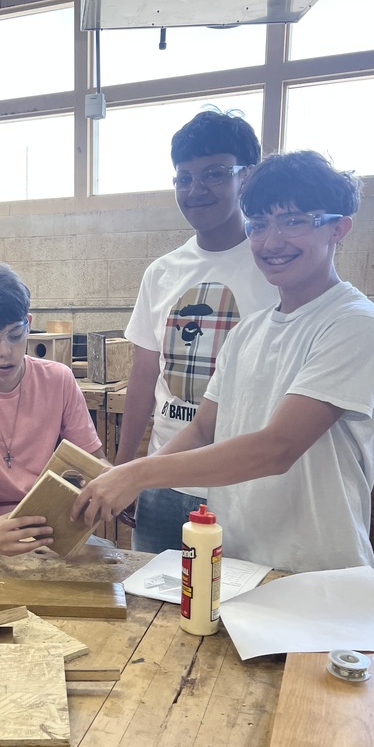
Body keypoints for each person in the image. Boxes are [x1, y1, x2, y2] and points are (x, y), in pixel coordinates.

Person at [73, 151, 374, 574]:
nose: (272, 241)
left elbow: (277, 448)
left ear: (338, 228)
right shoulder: (247, 333)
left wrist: (137, 474)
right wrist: (126, 478)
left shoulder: (355, 323)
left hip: (316, 570)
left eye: (293, 221)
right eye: (259, 223)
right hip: (237, 563)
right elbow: (203, 429)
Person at [117, 108, 278, 553]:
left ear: (247, 178)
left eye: (214, 174)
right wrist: (125, 467)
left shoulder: (276, 266)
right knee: (149, 606)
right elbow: (144, 377)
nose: (195, 189)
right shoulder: (162, 272)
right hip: (165, 477)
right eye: (183, 178)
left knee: (234, 611)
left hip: (242, 484)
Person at [0, 264, 108, 556]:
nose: (5, 351)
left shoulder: (58, 379)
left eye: (14, 335)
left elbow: (94, 466)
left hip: (55, 528)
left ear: (28, 323)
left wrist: (106, 484)